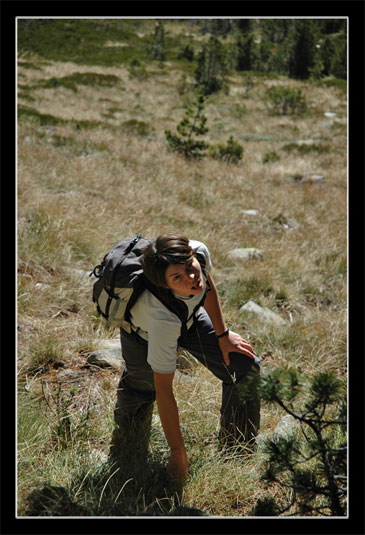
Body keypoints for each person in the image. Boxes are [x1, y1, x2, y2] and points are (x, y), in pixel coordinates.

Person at [110, 234, 260, 483]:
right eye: (177, 277)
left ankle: (237, 452)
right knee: (141, 391)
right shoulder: (161, 320)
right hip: (144, 335)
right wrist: (178, 453)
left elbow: (206, 283)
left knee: (243, 365)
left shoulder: (198, 252)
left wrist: (223, 335)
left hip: (188, 317)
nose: (191, 278)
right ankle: (124, 457)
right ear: (165, 285)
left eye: (190, 268)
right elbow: (165, 391)